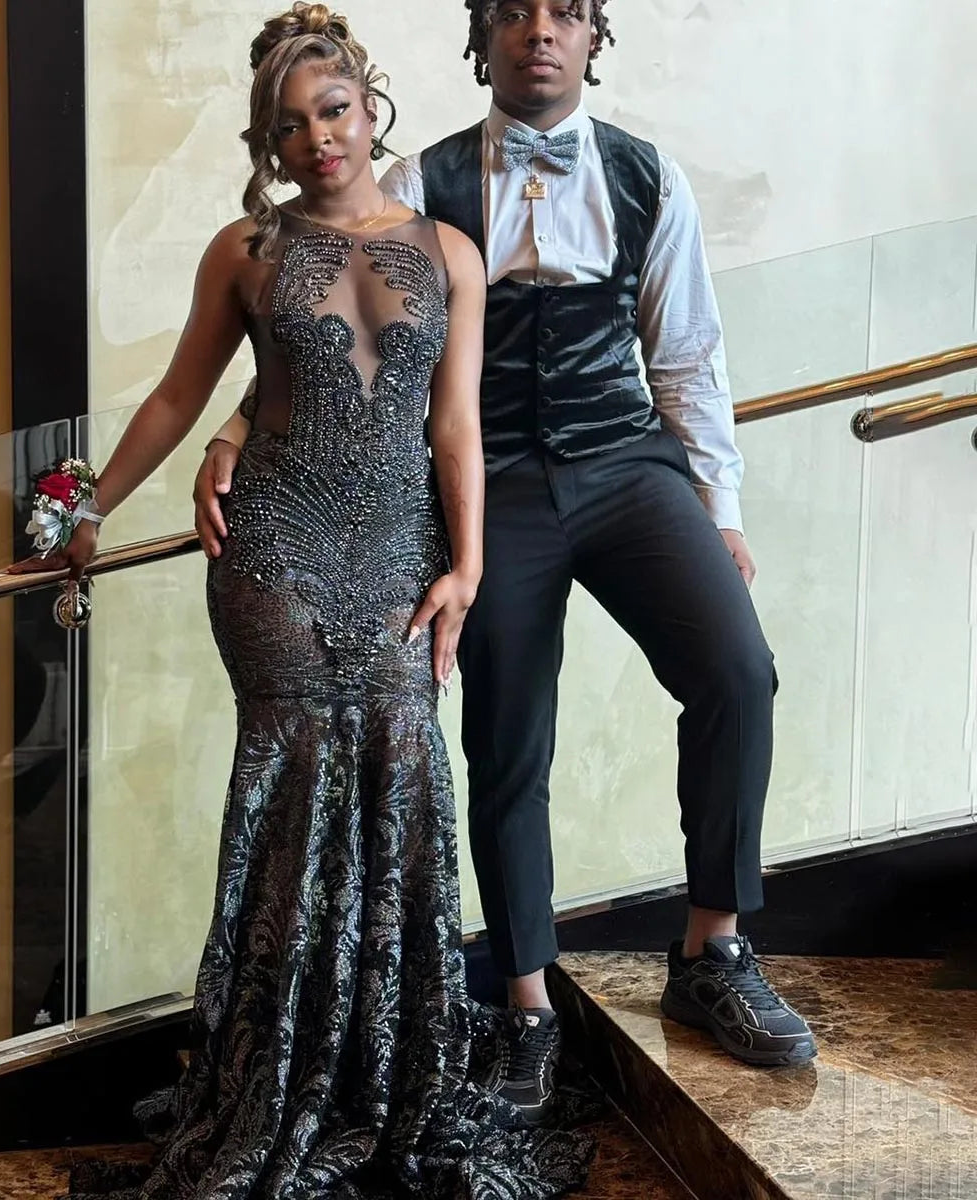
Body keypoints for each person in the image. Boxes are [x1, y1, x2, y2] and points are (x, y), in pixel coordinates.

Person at [196, 0, 818, 1118]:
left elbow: (687, 353)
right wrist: (241, 424)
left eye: (566, 12)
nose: (541, 30)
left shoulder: (649, 177)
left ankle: (713, 950)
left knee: (738, 672)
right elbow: (339, 324)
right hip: (493, 484)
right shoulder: (422, 181)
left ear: (592, 38)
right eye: (517, 11)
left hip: (626, 463)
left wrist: (718, 509)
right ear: (482, 38)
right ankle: (527, 1004)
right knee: (505, 734)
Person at [15, 4, 596, 1196]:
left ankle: (377, 1081)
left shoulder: (450, 252)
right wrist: (86, 508)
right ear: (268, 143)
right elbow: (179, 396)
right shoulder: (245, 251)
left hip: (400, 558)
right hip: (274, 550)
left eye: (333, 112)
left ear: (369, 110)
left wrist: (468, 568)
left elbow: (455, 427)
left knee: (403, 785)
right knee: (292, 799)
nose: (317, 139)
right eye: (289, 126)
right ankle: (272, 1079)